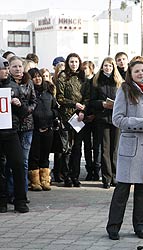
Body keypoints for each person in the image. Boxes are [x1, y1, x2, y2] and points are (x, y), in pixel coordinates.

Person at [106, 60, 143, 240]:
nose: (141, 74)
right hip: (130, 147)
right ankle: (113, 227)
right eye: (137, 71)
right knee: (122, 190)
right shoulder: (124, 90)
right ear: (130, 74)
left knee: (142, 191)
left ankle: (140, 226)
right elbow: (118, 119)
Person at [0, 56, 29, 213]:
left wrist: (18, 104)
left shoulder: (14, 87)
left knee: (18, 165)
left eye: (6, 68)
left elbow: (25, 112)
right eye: (3, 68)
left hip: (11, 132)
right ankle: (2, 201)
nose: (5, 71)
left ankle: (20, 201)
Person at [90, 57, 123, 189]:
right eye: (105, 65)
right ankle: (106, 178)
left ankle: (115, 176)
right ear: (102, 67)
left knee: (115, 149)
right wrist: (102, 104)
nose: (108, 68)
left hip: (116, 118)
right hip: (102, 119)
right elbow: (92, 101)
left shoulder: (119, 82)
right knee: (104, 149)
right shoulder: (96, 81)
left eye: (110, 66)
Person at [8, 56, 37, 202]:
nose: (18, 69)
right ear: (9, 68)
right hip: (11, 126)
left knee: (23, 161)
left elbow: (34, 101)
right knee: (11, 162)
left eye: (20, 66)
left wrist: (26, 110)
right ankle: (11, 192)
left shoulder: (29, 81)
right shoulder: (6, 83)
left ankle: (22, 193)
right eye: (14, 66)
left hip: (27, 125)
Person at [56, 52, 86, 187]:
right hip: (67, 116)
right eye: (71, 62)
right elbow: (60, 98)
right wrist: (74, 104)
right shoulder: (63, 76)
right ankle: (66, 176)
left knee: (77, 148)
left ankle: (75, 176)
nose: (74, 64)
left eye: (76, 62)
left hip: (79, 117)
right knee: (66, 149)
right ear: (68, 63)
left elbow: (86, 96)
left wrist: (82, 110)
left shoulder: (82, 77)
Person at [28, 68, 58, 191]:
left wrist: (52, 114)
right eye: (34, 77)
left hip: (48, 127)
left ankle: (45, 180)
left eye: (39, 76)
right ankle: (35, 181)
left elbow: (55, 108)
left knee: (45, 155)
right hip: (34, 128)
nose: (38, 78)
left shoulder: (49, 91)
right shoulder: (30, 92)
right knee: (34, 155)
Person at [81, 61, 100, 181]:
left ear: (91, 69)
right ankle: (89, 169)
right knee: (87, 145)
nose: (84, 70)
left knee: (97, 145)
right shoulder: (81, 81)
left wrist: (94, 114)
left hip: (96, 117)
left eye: (86, 68)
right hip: (84, 117)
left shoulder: (96, 82)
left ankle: (97, 169)